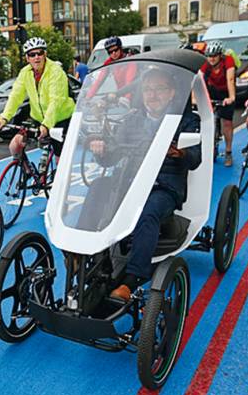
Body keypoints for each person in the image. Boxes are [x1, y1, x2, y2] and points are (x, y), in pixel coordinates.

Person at [79, 68, 201, 302]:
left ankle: (132, 279)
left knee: (147, 211)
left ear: (172, 93)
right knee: (98, 187)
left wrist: (179, 153)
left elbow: (195, 158)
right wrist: (101, 150)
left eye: (159, 89)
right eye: (147, 89)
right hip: (130, 181)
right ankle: (87, 253)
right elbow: (112, 155)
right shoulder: (132, 119)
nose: (152, 95)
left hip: (164, 185)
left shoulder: (187, 120)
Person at [0, 37, 75, 159]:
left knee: (61, 160)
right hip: (38, 118)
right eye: (32, 54)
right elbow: (15, 96)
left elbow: (56, 101)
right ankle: (26, 171)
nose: (36, 57)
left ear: (45, 54)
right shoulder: (25, 73)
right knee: (15, 145)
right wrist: (4, 118)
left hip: (60, 118)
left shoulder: (56, 71)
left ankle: (58, 174)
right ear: (27, 58)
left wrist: (46, 126)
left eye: (40, 53)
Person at [200, 41, 237, 166]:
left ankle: (228, 152)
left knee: (226, 122)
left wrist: (231, 97)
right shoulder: (206, 64)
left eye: (214, 56)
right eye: (209, 56)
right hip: (213, 91)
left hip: (226, 91)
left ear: (220, 55)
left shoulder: (228, 61)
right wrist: (197, 98)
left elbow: (230, 79)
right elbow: (199, 80)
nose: (211, 59)